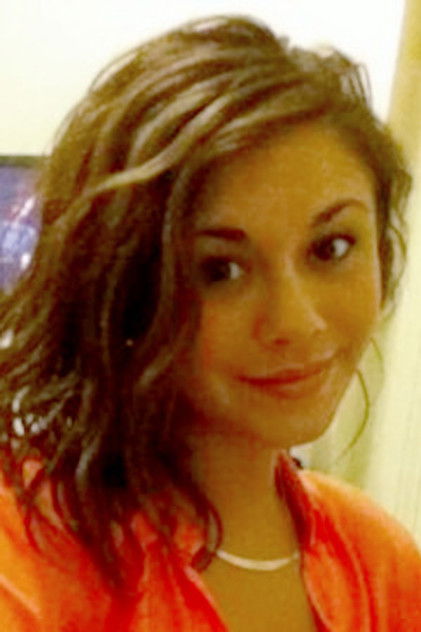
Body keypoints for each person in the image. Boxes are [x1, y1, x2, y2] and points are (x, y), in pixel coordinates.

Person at [0, 14, 420, 632]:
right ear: (122, 285)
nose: (297, 322)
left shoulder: (380, 562)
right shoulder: (26, 554)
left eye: (331, 248)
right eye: (220, 270)